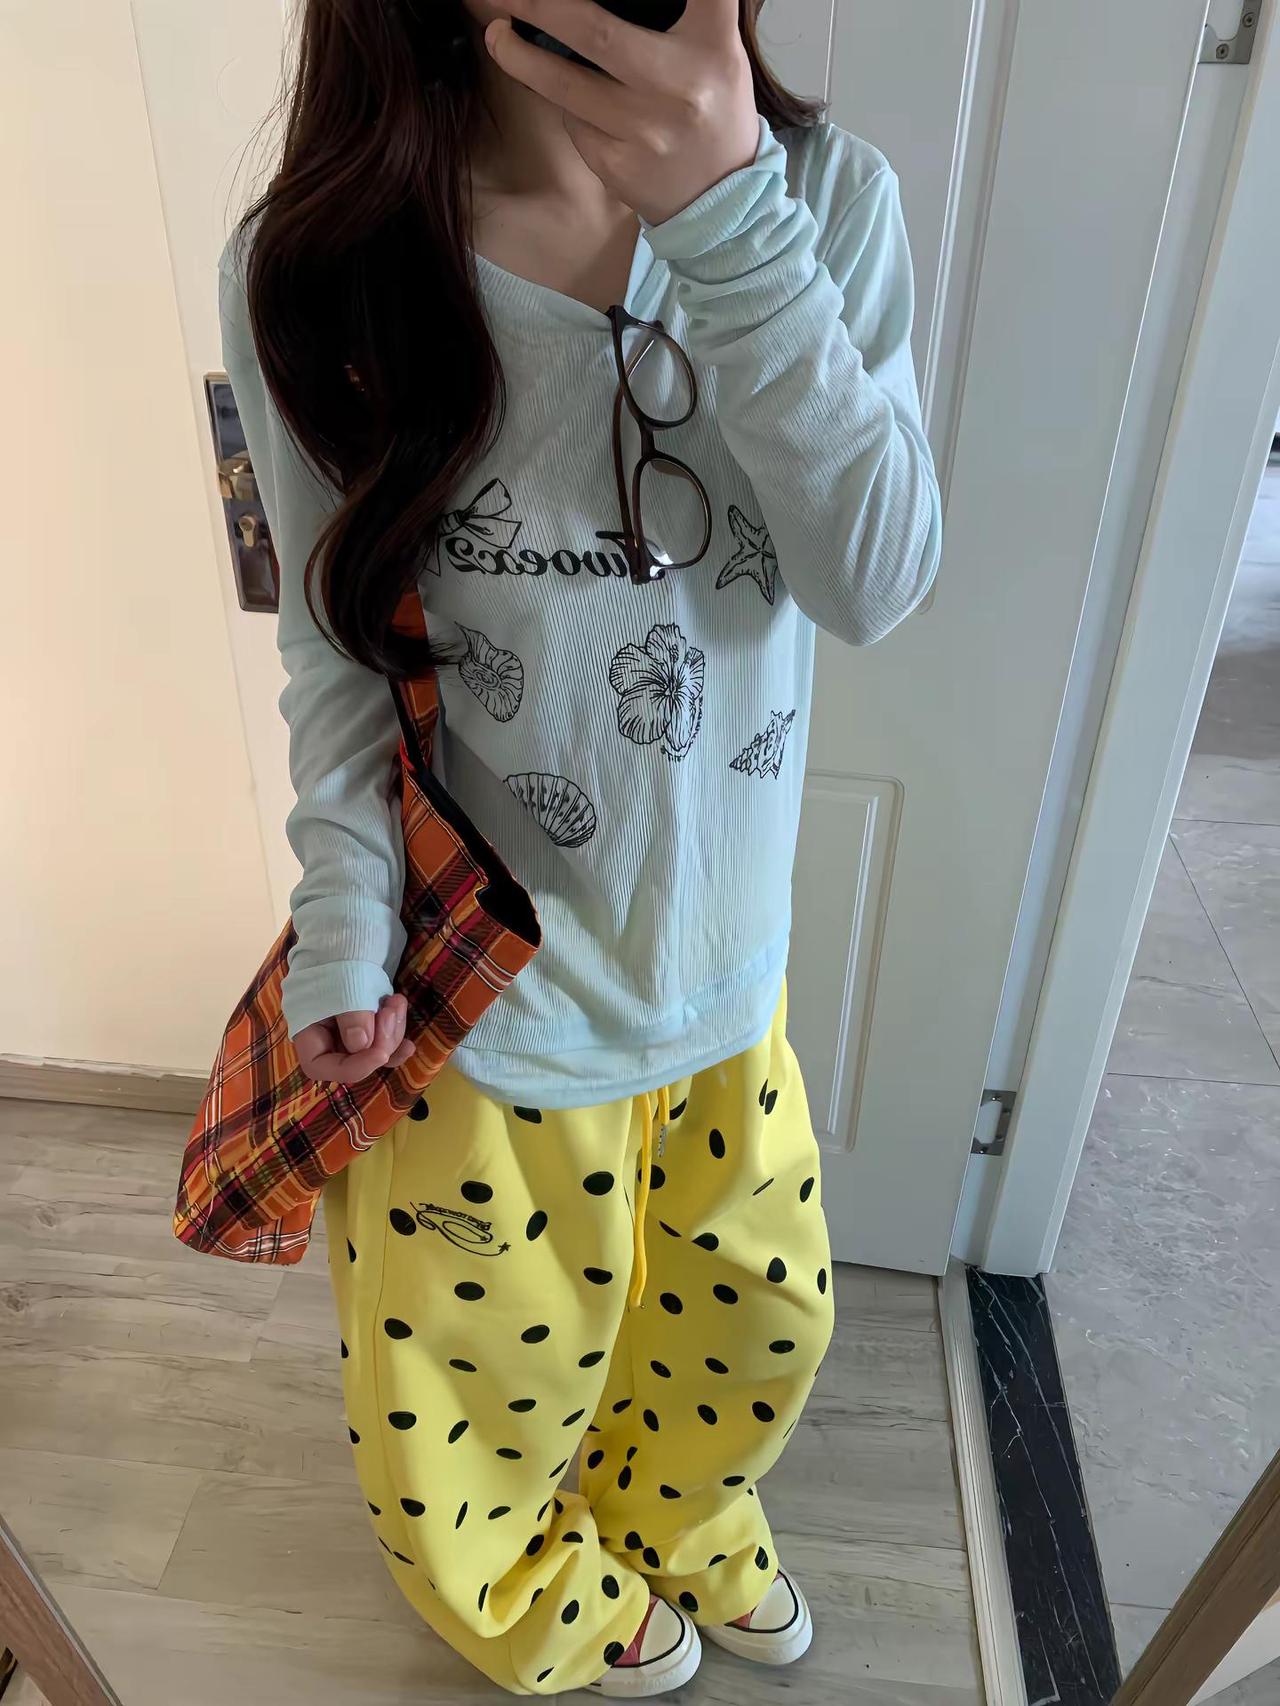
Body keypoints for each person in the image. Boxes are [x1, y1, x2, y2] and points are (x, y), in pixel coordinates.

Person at [220, 0, 941, 1694]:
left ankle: (677, 1514)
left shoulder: (829, 199)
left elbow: (877, 578)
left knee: (752, 1315)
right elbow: (334, 642)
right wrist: (342, 911)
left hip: (726, 978)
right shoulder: (328, 256)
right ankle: (527, 1586)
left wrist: (731, 219)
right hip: (485, 998)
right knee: (474, 1385)